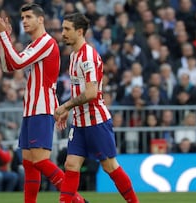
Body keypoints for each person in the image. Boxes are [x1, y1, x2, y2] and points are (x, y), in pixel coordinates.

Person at [0, 3, 87, 203]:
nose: (24, 21)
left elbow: (16, 63)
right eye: (22, 18)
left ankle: (77, 200)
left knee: (41, 161)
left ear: (40, 19)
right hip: (30, 109)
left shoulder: (46, 42)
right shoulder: (33, 45)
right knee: (28, 164)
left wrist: (3, 36)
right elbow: (8, 65)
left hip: (41, 108)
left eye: (28, 17)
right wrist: (3, 39)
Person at [55, 13, 139, 203]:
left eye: (67, 29)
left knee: (110, 166)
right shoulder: (74, 55)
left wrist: (65, 105)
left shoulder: (88, 56)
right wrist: (69, 110)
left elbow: (92, 93)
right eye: (63, 28)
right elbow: (80, 91)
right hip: (79, 122)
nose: (63, 33)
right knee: (71, 164)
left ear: (79, 31)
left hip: (96, 121)